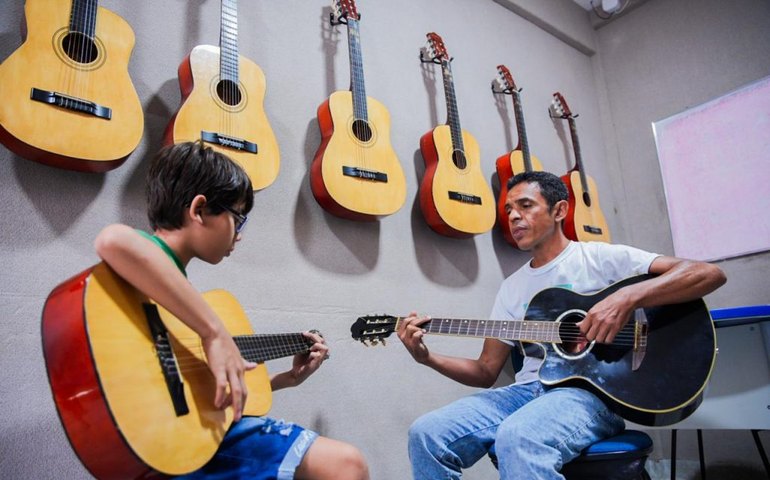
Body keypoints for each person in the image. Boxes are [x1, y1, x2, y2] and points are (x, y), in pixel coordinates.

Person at [398, 170, 726, 479]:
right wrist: (427, 358)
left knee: (519, 435)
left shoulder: (599, 258)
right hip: (525, 392)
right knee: (427, 433)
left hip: (592, 395)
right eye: (509, 209)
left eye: (525, 206)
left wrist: (627, 298)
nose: (513, 216)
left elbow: (709, 274)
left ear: (559, 211)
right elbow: (485, 371)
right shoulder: (512, 287)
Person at [94, 141, 369, 480]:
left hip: (178, 434)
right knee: (346, 464)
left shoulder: (175, 291)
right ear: (199, 210)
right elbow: (113, 240)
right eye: (238, 218)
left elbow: (195, 392)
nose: (239, 235)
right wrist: (214, 333)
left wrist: (284, 380)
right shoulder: (152, 261)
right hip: (160, 440)